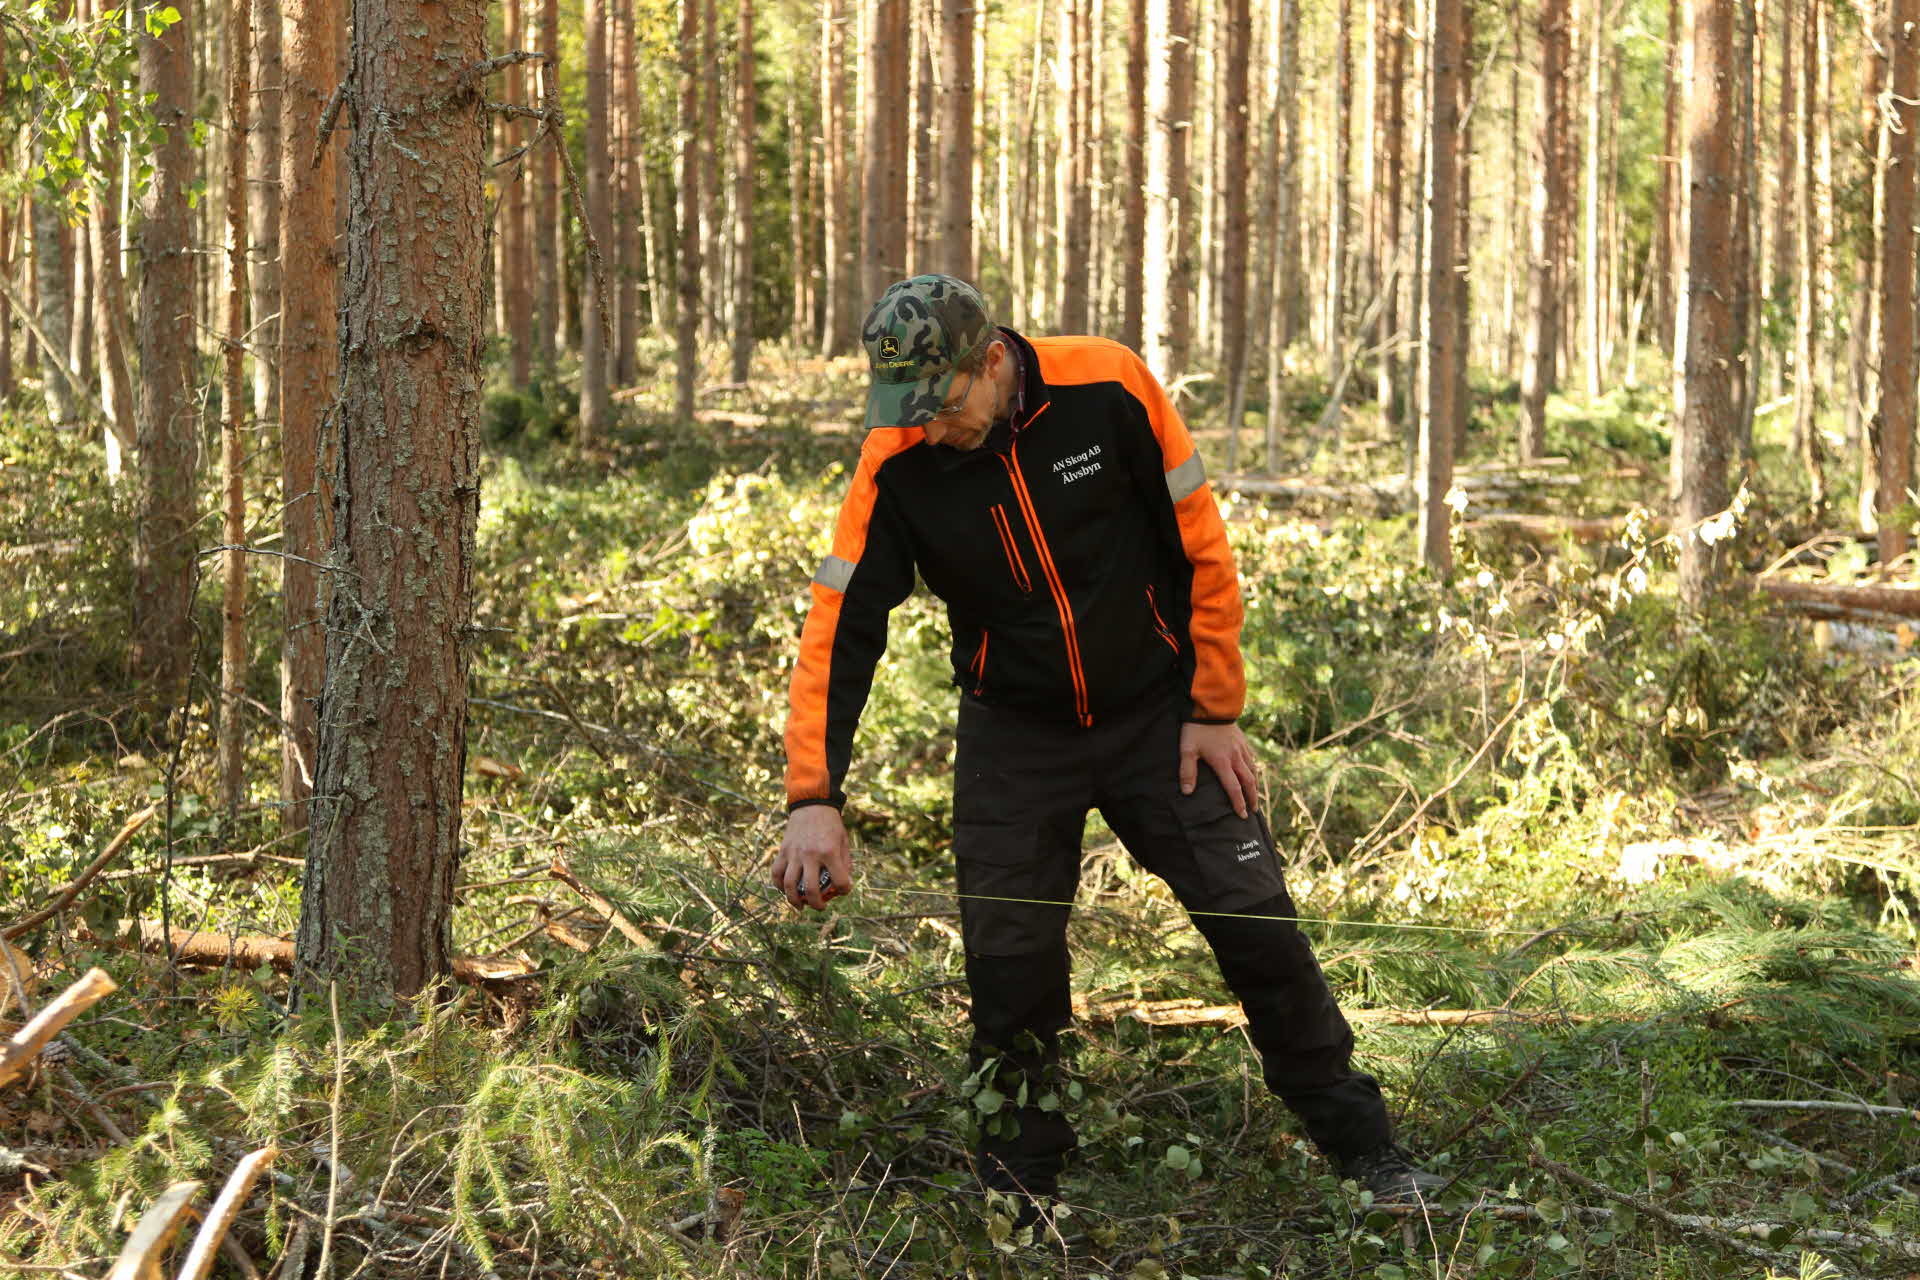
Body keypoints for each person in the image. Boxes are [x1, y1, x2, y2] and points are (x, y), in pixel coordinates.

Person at [773, 274, 1441, 1222]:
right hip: (1014, 737)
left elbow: (1200, 544)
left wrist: (1213, 707)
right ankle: (1021, 1195)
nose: (931, 427)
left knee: (1258, 926)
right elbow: (841, 629)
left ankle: (1366, 1149)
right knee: (1011, 971)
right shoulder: (898, 460)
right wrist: (814, 795)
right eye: (909, 410)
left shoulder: (1108, 386)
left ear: (993, 361)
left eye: (946, 403)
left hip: (1158, 720)